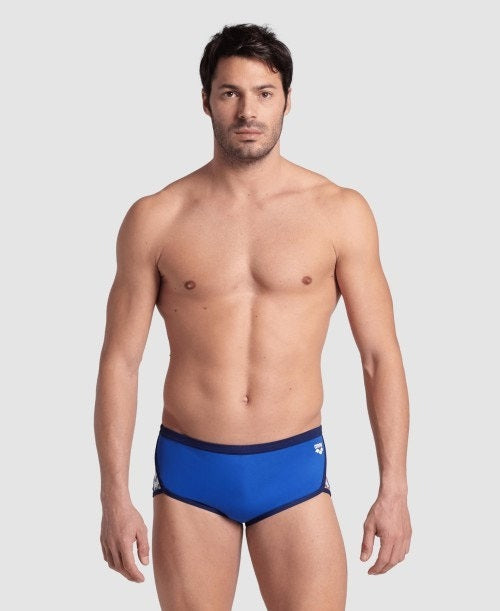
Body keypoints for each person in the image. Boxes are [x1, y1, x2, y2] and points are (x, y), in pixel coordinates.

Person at [94, 22, 412, 610]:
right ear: (206, 101)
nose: (248, 111)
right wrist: (114, 496)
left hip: (293, 468)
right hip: (190, 471)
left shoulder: (339, 212)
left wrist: (394, 488)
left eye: (264, 93)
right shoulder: (157, 217)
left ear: (287, 100)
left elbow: (378, 357)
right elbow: (120, 362)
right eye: (230, 93)